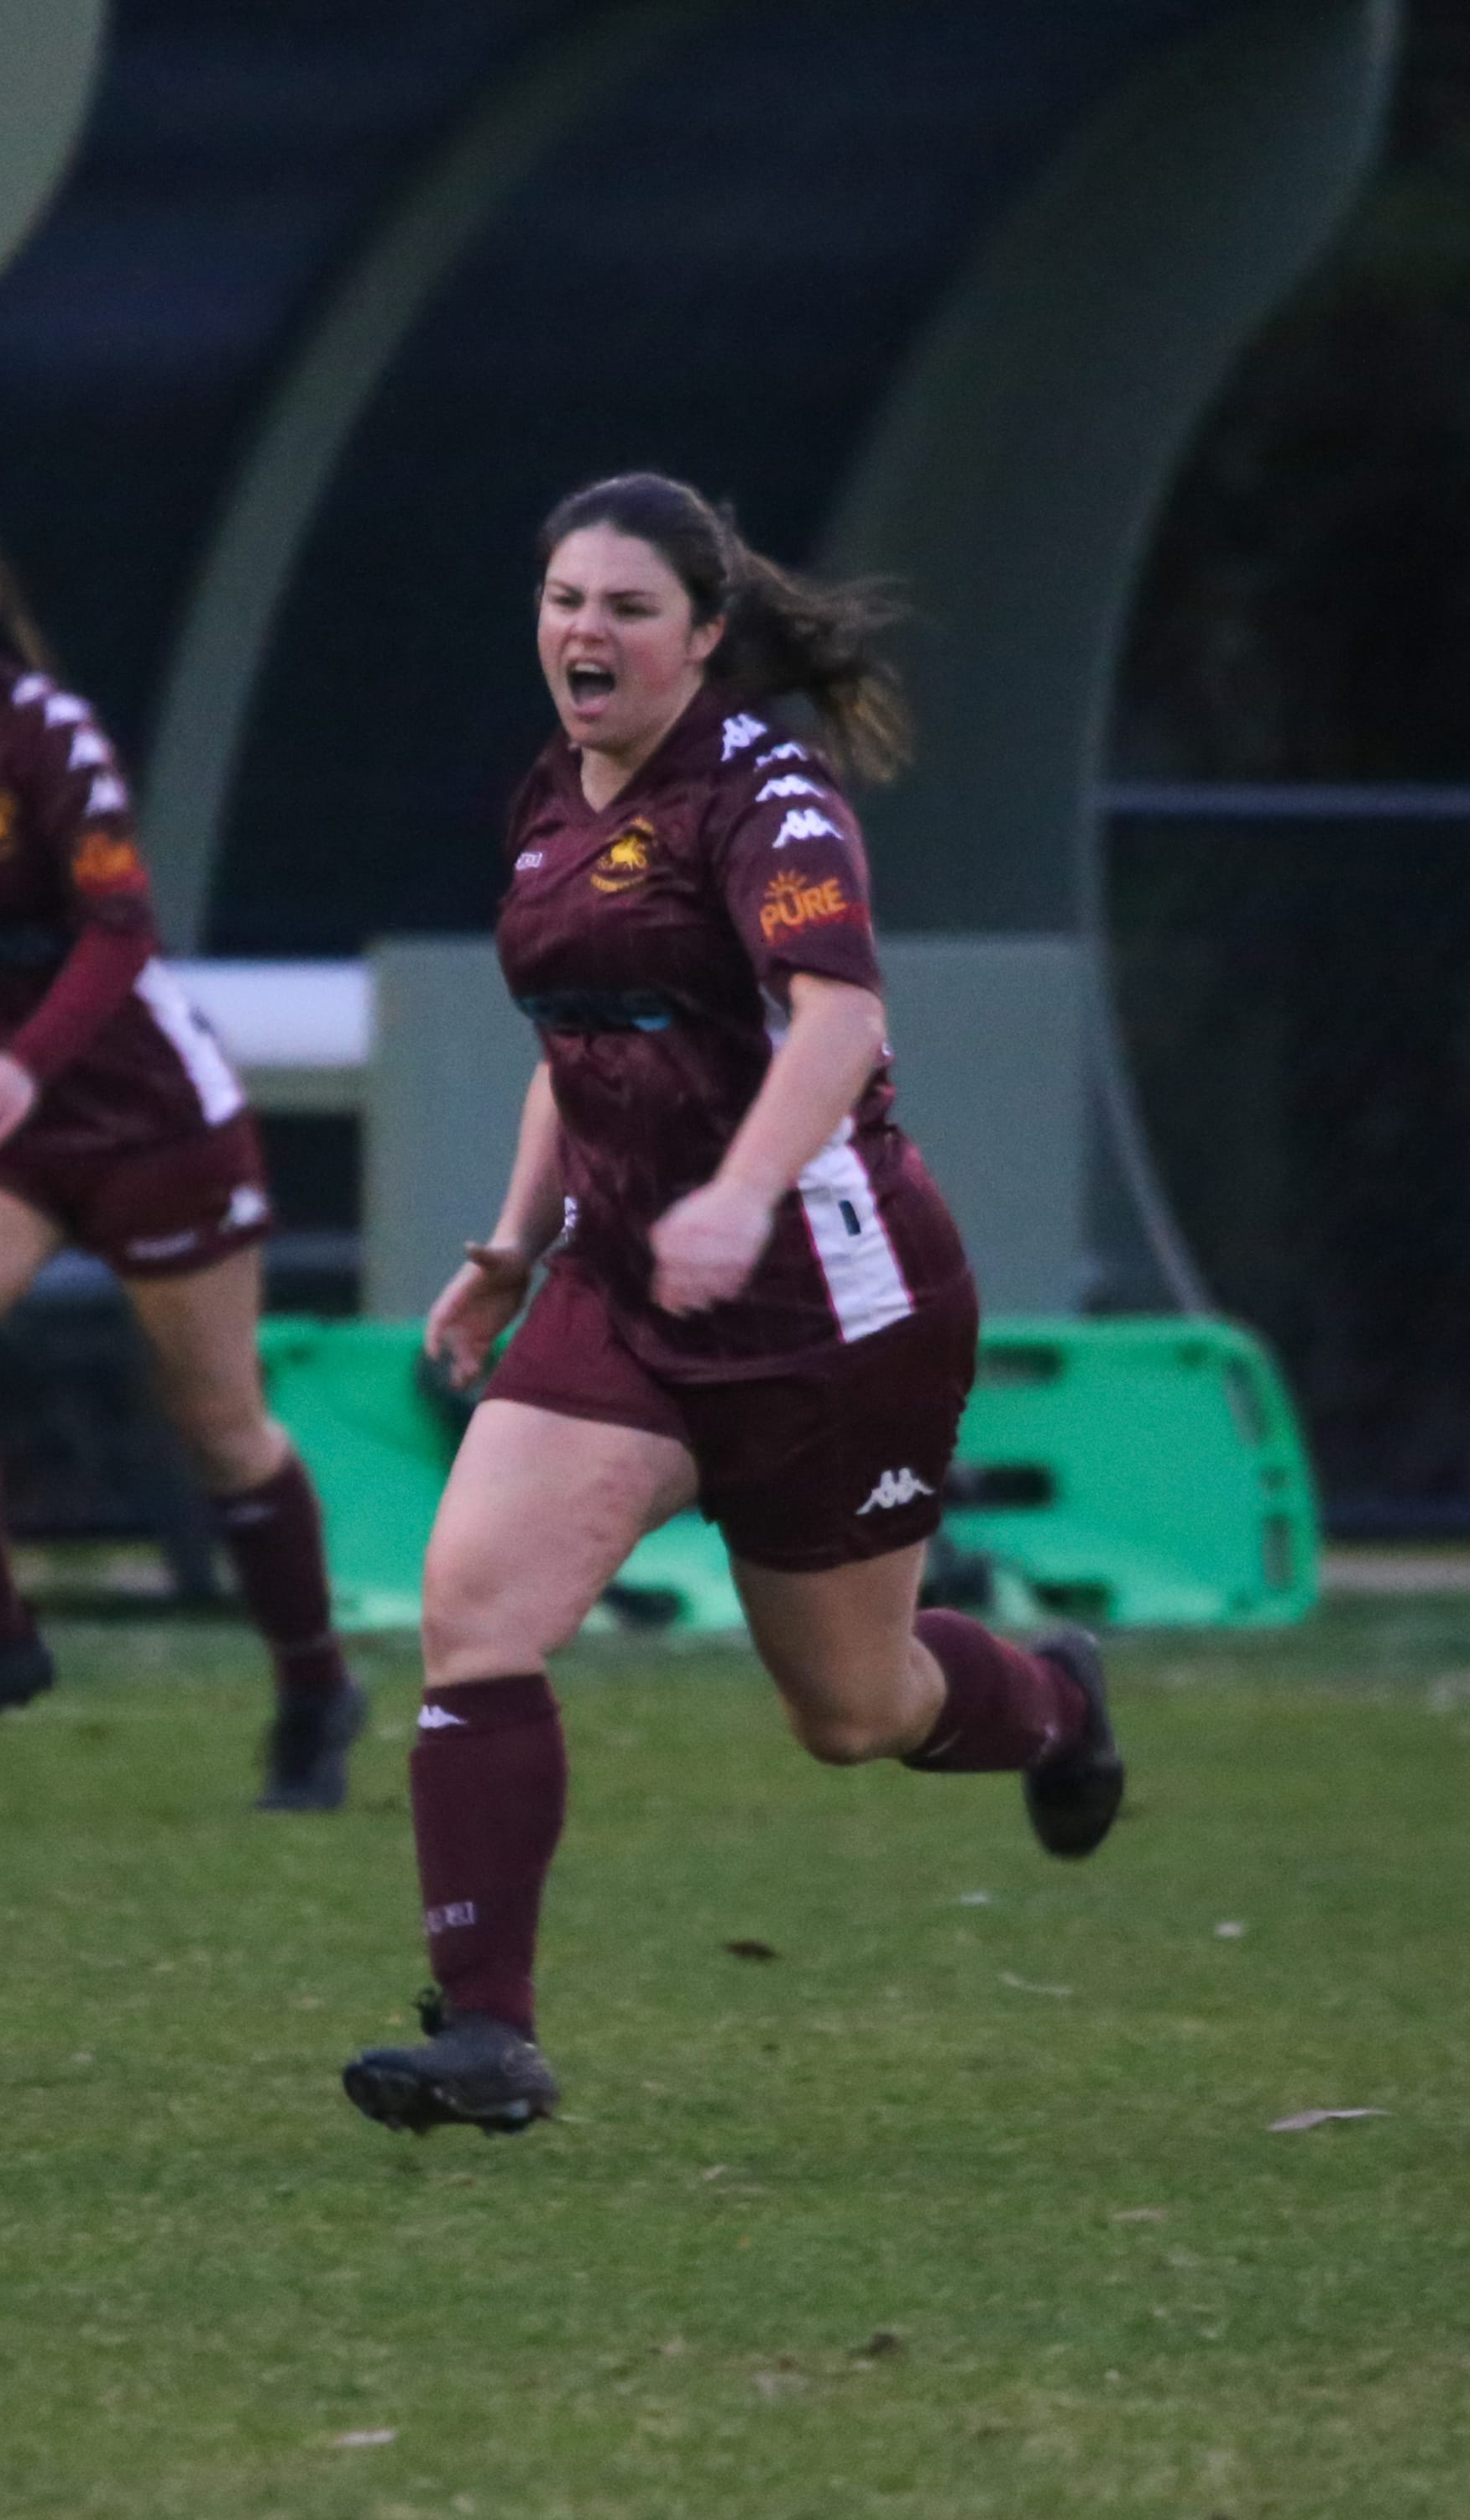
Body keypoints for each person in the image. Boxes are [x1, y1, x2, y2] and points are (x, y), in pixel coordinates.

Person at [342, 472, 1125, 2135]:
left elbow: (836, 1021)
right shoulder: (552, 792)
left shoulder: (767, 795)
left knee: (851, 1709)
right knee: (474, 1606)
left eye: (627, 607)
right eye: (565, 601)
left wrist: (740, 1192)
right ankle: (487, 2034)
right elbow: (580, 1040)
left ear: (703, 635)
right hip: (624, 1290)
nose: (587, 632)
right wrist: (510, 1244)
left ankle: (1057, 1702)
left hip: (830, 1308)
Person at [0, 475, 364, 1806]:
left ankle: (314, 1688)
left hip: (148, 1116)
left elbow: (122, 932)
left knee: (219, 1426)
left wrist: (25, 1062)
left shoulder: (47, 736)